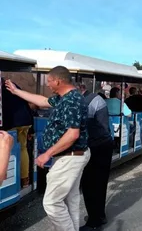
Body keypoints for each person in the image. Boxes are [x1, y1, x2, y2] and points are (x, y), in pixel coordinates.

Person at [5, 66, 90, 231]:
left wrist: (47, 154)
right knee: (69, 201)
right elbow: (42, 101)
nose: (48, 85)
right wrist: (16, 91)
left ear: (58, 81)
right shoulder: (64, 97)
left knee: (51, 202)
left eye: (49, 81)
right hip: (71, 156)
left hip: (70, 157)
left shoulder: (71, 100)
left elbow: (72, 134)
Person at [80, 92, 114, 231]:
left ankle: (94, 222)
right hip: (103, 145)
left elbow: (99, 127)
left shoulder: (91, 102)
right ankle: (99, 216)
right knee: (99, 183)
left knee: (90, 184)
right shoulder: (97, 100)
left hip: (96, 146)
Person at [1, 80, 33, 188]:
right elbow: (26, 103)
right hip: (25, 121)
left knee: (8, 151)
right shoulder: (12, 85)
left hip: (14, 123)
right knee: (23, 149)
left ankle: (16, 180)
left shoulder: (2, 89)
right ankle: (25, 180)